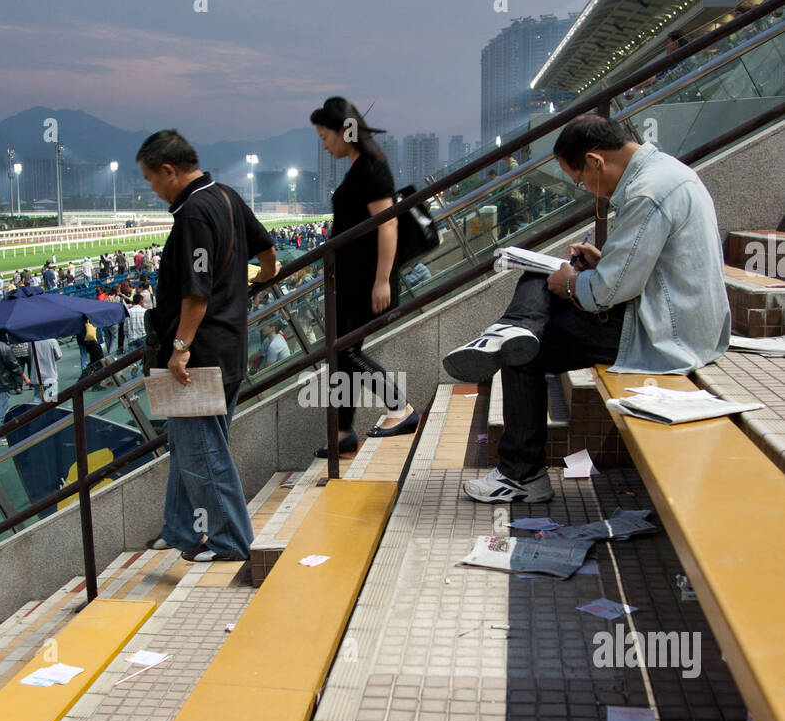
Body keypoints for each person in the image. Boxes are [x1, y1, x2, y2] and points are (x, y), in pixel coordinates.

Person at [443, 115, 730, 503]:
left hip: (663, 332)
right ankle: (512, 331)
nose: (587, 189)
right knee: (533, 296)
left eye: (581, 180)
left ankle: (521, 473)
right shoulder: (666, 173)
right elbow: (634, 272)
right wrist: (600, 261)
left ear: (595, 161)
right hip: (671, 316)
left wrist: (573, 282)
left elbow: (610, 291)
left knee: (525, 351)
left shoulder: (647, 192)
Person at [136, 128, 278, 562]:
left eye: (151, 179)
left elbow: (195, 292)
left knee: (205, 454)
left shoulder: (194, 212)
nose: (152, 189)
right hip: (230, 345)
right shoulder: (228, 196)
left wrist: (181, 347)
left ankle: (231, 542)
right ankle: (180, 528)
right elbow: (269, 254)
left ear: (168, 170)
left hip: (198, 356)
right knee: (188, 445)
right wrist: (252, 284)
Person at [310, 96, 419, 454]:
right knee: (342, 353)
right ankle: (343, 432)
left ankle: (400, 408)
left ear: (344, 132)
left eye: (325, 137)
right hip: (350, 279)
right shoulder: (360, 168)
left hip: (363, 282)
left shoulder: (372, 168)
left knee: (347, 353)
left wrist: (382, 280)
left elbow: (388, 225)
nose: (324, 146)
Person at [0, 338, 29, 443]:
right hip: (2, 383)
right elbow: (14, 366)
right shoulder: (4, 347)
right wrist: (26, 378)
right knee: (0, 412)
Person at [27, 337, 62, 402]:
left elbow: (29, 356)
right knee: (52, 399)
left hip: (37, 374)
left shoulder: (31, 342)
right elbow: (58, 356)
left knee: (38, 398)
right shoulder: (52, 341)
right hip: (50, 373)